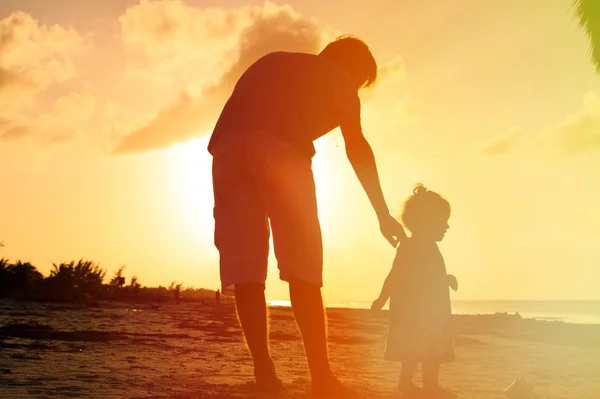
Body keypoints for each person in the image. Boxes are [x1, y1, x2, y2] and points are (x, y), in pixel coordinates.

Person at [208, 35, 406, 396]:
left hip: (226, 149)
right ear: (354, 69)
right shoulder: (338, 77)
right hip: (281, 151)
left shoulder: (273, 60)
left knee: (246, 267)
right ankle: (322, 378)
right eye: (361, 83)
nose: (357, 90)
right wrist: (382, 212)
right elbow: (356, 145)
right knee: (303, 267)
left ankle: (264, 373)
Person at [371, 184, 458, 398]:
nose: (446, 227)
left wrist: (445, 279)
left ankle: (420, 384)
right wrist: (382, 297)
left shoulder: (428, 247)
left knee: (426, 348)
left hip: (428, 311)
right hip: (417, 313)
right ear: (427, 222)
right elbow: (396, 274)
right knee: (423, 348)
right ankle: (415, 384)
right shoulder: (411, 247)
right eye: (442, 222)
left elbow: (427, 275)